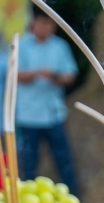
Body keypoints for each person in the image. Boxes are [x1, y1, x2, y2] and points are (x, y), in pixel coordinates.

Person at [15, 12, 78, 191]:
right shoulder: (21, 46)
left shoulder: (60, 46)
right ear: (33, 23)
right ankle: (26, 199)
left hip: (53, 112)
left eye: (49, 23)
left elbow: (70, 75)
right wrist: (37, 73)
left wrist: (55, 77)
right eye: (42, 23)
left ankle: (73, 196)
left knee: (63, 159)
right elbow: (14, 74)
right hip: (29, 114)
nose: (46, 27)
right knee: (28, 161)